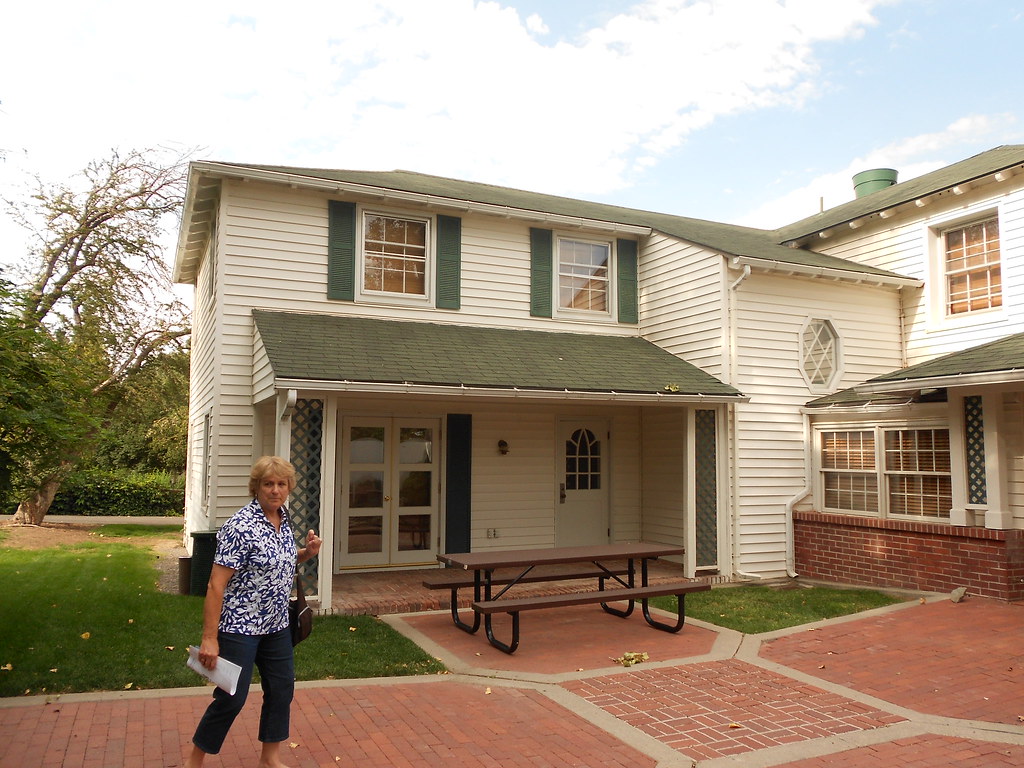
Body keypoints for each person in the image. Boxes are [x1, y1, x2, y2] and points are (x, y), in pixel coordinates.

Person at [184, 456, 322, 768]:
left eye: (281, 484)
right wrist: (209, 638)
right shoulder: (240, 526)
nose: (275, 490)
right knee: (231, 698)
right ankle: (194, 761)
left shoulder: (283, 518)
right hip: (240, 627)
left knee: (281, 689)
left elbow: (276, 561)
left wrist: (305, 553)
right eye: (268, 484)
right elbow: (216, 584)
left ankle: (270, 759)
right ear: (256, 487)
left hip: (276, 626)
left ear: (289, 488)